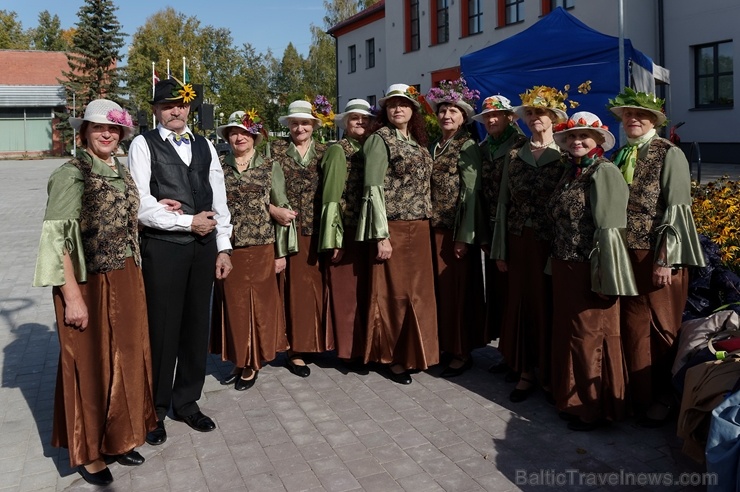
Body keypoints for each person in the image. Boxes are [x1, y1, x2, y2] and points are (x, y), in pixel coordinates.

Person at [33, 99, 156, 486]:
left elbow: (120, 214)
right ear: (84, 131)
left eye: (114, 128)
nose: (107, 133)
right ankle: (88, 453)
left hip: (127, 274)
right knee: (89, 365)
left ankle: (119, 436)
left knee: (127, 357)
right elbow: (57, 240)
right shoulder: (71, 174)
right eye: (99, 127)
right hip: (88, 281)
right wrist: (71, 296)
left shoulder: (118, 169)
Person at [129, 78, 233, 445]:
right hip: (165, 246)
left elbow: (218, 199)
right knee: (163, 328)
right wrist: (187, 221)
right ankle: (154, 410)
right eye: (168, 105)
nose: (177, 110)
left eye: (182, 104)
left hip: (203, 247)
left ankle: (187, 401)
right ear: (156, 110)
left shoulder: (204, 144)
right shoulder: (143, 144)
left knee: (195, 326)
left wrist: (223, 247)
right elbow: (142, 205)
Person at [607, 88, 705, 426]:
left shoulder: (669, 153)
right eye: (627, 115)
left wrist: (666, 257)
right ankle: (640, 394)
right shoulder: (620, 155)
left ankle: (667, 395)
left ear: (653, 121)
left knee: (664, 328)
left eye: (641, 115)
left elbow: (677, 208)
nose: (633, 119)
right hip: (625, 253)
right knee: (634, 325)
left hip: (658, 253)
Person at [548, 112, 637, 431]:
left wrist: (607, 278)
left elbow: (611, 229)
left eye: (584, 136)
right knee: (571, 334)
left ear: (599, 140)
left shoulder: (604, 171)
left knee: (591, 337)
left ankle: (595, 407)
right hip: (565, 266)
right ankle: (572, 400)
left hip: (591, 269)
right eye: (571, 136)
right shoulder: (570, 172)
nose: (577, 141)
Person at [356, 83, 439, 384]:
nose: (398, 109)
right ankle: (391, 358)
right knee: (394, 295)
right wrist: (381, 234)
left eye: (403, 104)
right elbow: (373, 187)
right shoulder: (380, 139)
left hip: (419, 227)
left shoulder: (417, 142)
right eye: (392, 105)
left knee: (417, 295)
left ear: (413, 110)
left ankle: (415, 353)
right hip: (393, 225)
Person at [490, 85, 569, 402]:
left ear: (553, 117)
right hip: (519, 239)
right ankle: (524, 370)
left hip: (551, 243)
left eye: (542, 112)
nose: (536, 117)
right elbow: (503, 204)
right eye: (532, 113)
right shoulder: (514, 155)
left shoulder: (565, 154)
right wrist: (501, 249)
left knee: (548, 304)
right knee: (522, 303)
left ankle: (549, 372)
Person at [210, 110, 290, 391]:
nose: (238, 137)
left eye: (244, 132)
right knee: (234, 307)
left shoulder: (270, 166)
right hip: (229, 249)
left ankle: (252, 362)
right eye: (233, 132)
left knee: (260, 307)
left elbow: (282, 210)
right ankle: (240, 357)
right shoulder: (218, 166)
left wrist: (281, 253)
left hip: (262, 247)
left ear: (254, 136)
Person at [425, 79, 486, 377]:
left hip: (456, 231)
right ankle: (445, 345)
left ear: (463, 117)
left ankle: (462, 351)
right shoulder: (434, 146)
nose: (447, 116)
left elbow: (471, 193)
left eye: (453, 111)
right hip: (433, 229)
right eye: (443, 111)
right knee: (441, 293)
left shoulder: (467, 146)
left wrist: (465, 236)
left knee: (459, 292)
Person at [271, 100, 330, 377]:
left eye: (305, 123)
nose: (300, 127)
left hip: (320, 231)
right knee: (294, 292)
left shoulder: (326, 152)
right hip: (290, 231)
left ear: (314, 126)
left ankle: (317, 343)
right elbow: (263, 191)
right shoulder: (277, 154)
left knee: (319, 290)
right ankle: (295, 350)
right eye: (295, 123)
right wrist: (274, 210)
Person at [473, 95, 526, 376]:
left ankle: (519, 355)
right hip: (493, 231)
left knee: (514, 294)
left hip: (514, 230)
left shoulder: (519, 146)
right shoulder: (484, 148)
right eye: (487, 117)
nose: (491, 121)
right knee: (499, 294)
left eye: (497, 116)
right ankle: (507, 352)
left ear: (510, 118)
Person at [319, 99, 374, 366]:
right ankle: (349, 351)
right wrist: (334, 238)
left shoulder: (369, 148)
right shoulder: (338, 151)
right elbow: (331, 197)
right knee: (346, 293)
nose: (361, 123)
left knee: (364, 290)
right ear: (345, 123)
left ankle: (365, 347)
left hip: (367, 231)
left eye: (365, 119)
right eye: (355, 119)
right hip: (347, 230)